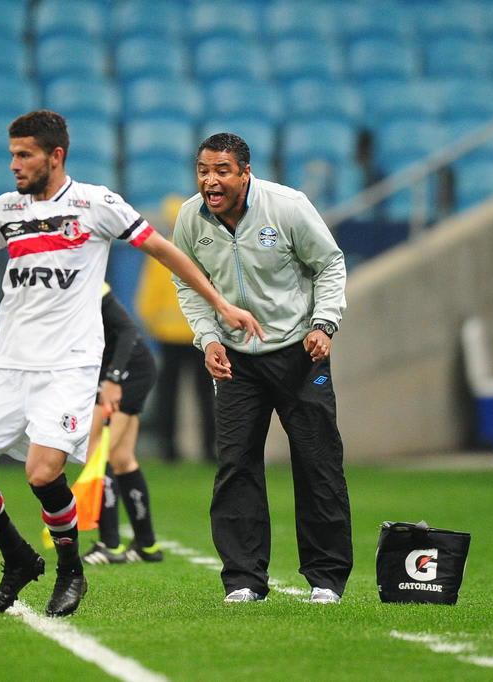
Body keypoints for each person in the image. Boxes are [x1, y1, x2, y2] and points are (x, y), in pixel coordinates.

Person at [0, 110, 263, 618]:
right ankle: (18, 559)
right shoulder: (5, 210)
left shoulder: (96, 203)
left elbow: (165, 251)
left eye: (23, 155)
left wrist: (221, 303)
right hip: (9, 368)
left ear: (56, 156)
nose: (14, 165)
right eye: (11, 155)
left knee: (42, 472)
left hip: (69, 367)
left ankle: (71, 570)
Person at [171, 132, 352, 605]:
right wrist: (208, 339)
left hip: (299, 353)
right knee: (236, 467)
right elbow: (188, 284)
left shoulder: (287, 207)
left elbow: (330, 264)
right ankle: (245, 580)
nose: (211, 180)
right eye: (203, 170)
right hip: (236, 362)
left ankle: (326, 579)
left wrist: (324, 324)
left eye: (222, 171)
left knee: (318, 463)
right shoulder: (191, 218)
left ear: (245, 173)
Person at [81, 284, 164, 565]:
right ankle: (146, 544)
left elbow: (127, 330)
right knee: (121, 458)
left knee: (97, 452)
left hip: (129, 370)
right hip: (122, 369)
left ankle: (110, 544)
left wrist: (114, 378)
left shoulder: (89, 283)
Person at [136, 196, 216, 463]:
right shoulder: (205, 249)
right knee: (206, 394)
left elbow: (147, 299)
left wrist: (154, 325)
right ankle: (210, 449)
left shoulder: (161, 251)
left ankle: (168, 449)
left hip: (169, 336)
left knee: (169, 395)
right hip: (200, 334)